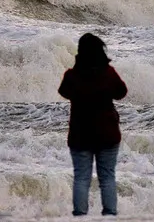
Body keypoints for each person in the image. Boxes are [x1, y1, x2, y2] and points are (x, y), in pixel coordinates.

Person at [58, 33, 128, 216]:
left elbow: (63, 91)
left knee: (81, 178)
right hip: (107, 133)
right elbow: (122, 92)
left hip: (80, 134)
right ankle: (110, 215)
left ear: (80, 52)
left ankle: (80, 216)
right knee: (107, 178)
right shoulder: (109, 73)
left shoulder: (72, 76)